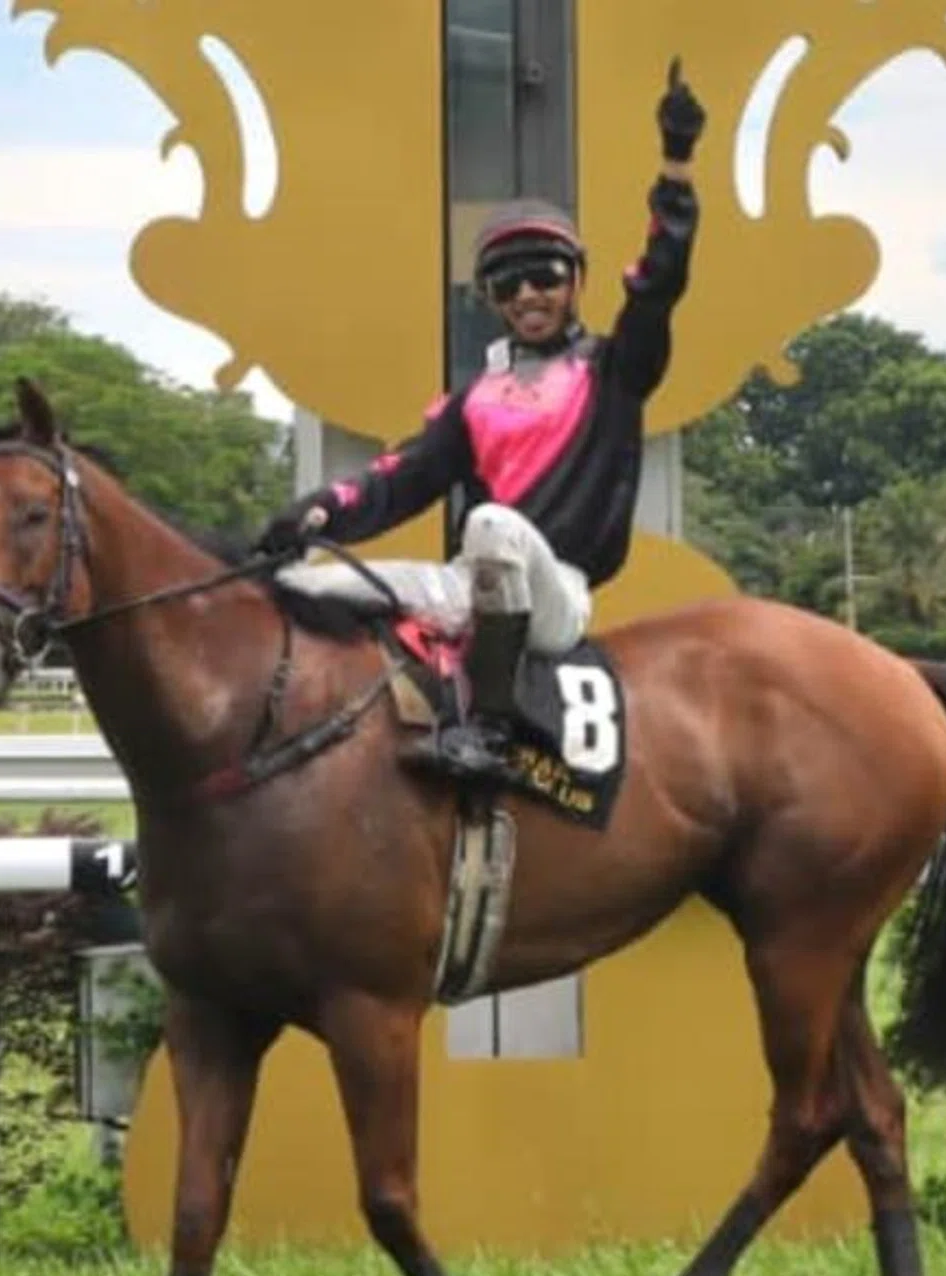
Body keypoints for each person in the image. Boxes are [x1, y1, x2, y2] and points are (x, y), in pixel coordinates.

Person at [255, 58, 706, 782]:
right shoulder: (474, 399)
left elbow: (659, 286)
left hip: (558, 594)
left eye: (546, 276)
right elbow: (400, 480)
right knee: (306, 587)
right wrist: (319, 511)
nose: (529, 292)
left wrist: (677, 165)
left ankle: (491, 731)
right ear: (491, 296)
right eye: (508, 282)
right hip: (472, 584)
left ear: (576, 282)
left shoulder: (614, 372)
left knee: (490, 525)